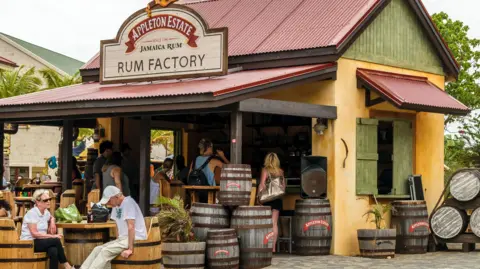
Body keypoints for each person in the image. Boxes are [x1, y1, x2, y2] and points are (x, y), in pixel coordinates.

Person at [81, 186, 147, 269]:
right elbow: (117, 225)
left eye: (109, 200)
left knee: (105, 252)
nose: (108, 203)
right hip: (123, 239)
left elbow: (131, 226)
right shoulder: (116, 205)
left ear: (116, 197)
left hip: (135, 237)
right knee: (97, 249)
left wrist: (130, 249)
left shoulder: (128, 203)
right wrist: (117, 240)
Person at [20, 189, 74, 269]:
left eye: (49, 199)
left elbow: (51, 217)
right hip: (30, 242)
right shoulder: (32, 213)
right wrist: (52, 236)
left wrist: (52, 221)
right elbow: (34, 234)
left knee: (54, 250)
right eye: (45, 200)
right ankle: (67, 266)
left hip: (40, 241)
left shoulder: (45, 212)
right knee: (55, 240)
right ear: (38, 202)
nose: (48, 201)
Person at [258, 152, 286, 253]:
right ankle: (273, 247)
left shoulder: (265, 170)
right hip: (277, 199)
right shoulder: (281, 172)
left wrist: (258, 197)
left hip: (267, 199)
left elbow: (262, 185)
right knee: (274, 223)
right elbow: (283, 187)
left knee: (266, 223)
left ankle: (266, 245)